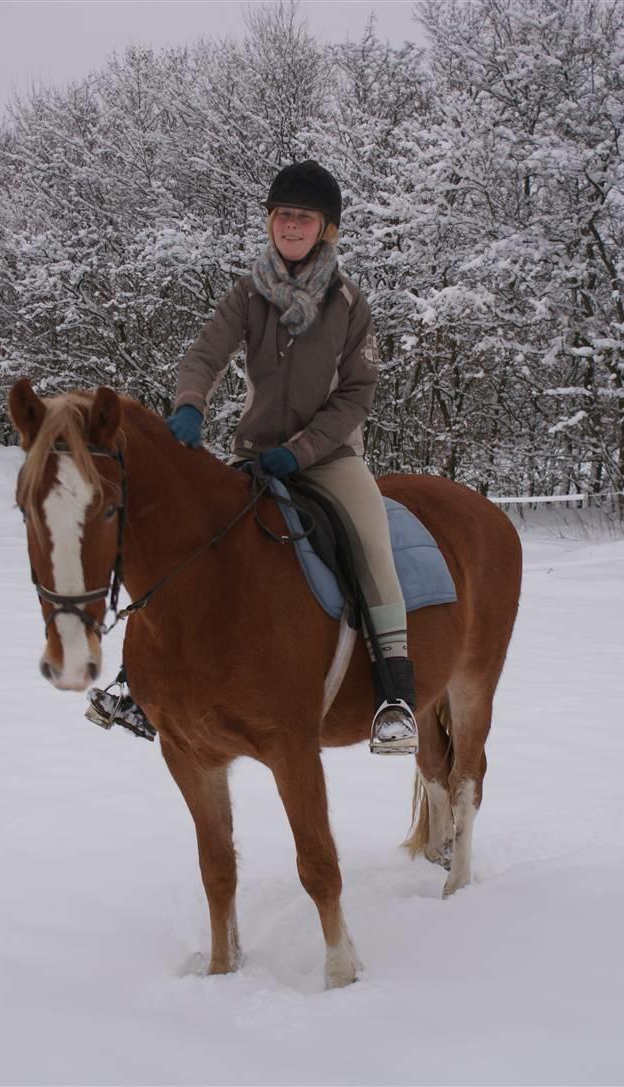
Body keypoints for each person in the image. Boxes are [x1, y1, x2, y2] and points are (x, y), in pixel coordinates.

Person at [89, 161, 417, 755]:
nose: (292, 225)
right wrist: (190, 403)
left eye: (305, 217)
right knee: (179, 540)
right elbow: (204, 354)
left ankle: (395, 693)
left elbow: (357, 393)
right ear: (271, 222)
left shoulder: (348, 302)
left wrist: (305, 450)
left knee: (371, 542)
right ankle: (137, 684)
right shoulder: (248, 292)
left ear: (326, 229)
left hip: (328, 458)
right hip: (254, 456)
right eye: (283, 215)